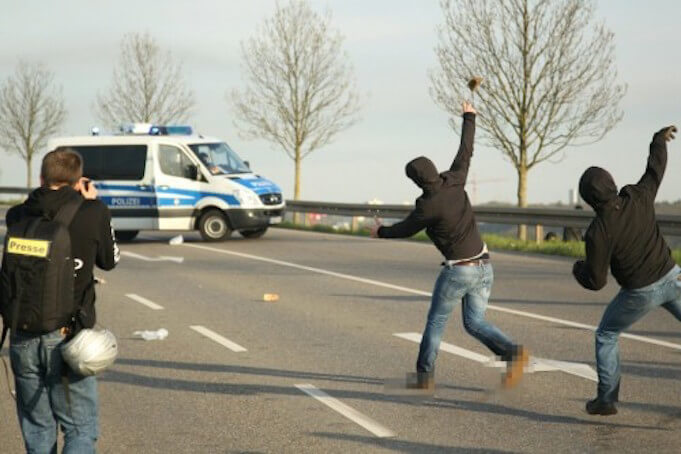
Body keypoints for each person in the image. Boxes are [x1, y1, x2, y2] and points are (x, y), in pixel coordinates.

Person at [371, 101, 528, 389]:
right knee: (475, 323)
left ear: (417, 181)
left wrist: (380, 232)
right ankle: (512, 353)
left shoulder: (426, 206)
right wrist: (469, 116)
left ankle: (423, 377)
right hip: (484, 265)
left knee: (436, 323)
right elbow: (465, 150)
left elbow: (404, 230)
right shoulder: (455, 180)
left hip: (459, 271)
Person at [2, 147, 119, 452]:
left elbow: (33, 205)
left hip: (22, 334)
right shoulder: (93, 212)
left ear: (41, 177)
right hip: (68, 337)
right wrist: (92, 203)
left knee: (38, 431)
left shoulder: (18, 214)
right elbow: (109, 259)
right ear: (79, 180)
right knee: (80, 429)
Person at [573, 126, 677, 416]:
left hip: (640, 292)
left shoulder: (598, 232)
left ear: (588, 199)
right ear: (612, 183)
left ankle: (606, 400)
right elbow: (655, 170)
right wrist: (658, 140)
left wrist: (578, 269)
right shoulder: (637, 196)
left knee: (606, 335)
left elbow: (596, 281)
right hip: (672, 276)